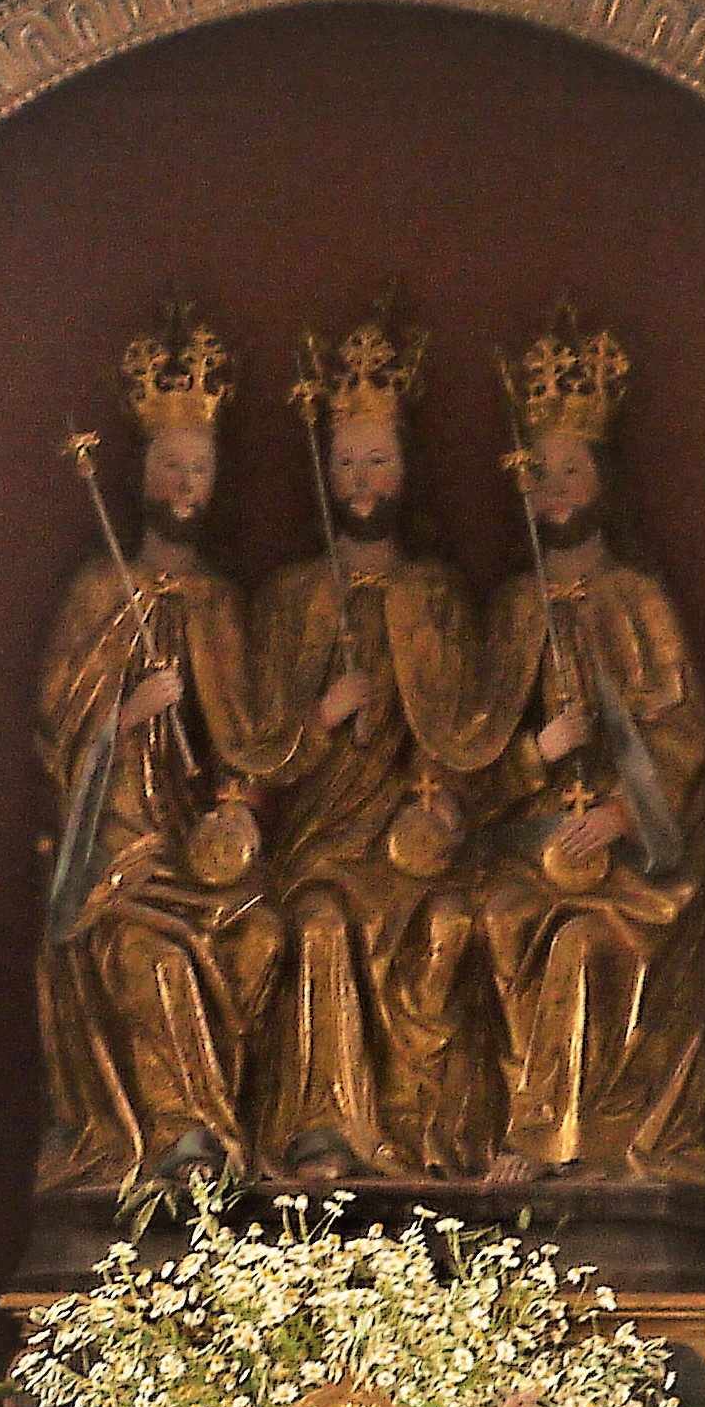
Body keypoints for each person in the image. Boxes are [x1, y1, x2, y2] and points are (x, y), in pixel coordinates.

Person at [36, 311, 287, 1188]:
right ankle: (187, 1144)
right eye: (170, 468)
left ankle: (264, 1155)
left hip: (201, 855)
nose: (184, 485)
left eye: (200, 471)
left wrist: (237, 809)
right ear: (142, 476)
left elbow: (251, 737)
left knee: (260, 936)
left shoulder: (220, 602)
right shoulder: (98, 588)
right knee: (157, 960)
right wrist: (125, 711)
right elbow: (56, 727)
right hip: (120, 851)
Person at [473, 313, 705, 1185]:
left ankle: (552, 1141)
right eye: (540, 475)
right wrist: (540, 753)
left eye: (572, 471)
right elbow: (480, 756)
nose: (556, 490)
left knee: (580, 944)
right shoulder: (512, 609)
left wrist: (619, 811)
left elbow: (683, 735)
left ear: (601, 481)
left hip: (640, 865)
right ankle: (495, 1124)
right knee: (494, 918)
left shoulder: (638, 599)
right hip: (537, 849)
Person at [251, 307, 491, 1178]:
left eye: (377, 460)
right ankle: (325, 1130)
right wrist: (322, 714)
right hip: (317, 838)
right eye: (345, 462)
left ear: (406, 471)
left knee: (451, 923)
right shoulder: (291, 598)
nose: (361, 479)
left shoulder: (437, 597)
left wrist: (441, 798)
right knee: (317, 924)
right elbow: (255, 743)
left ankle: (431, 1137)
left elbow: (467, 730)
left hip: (413, 842)